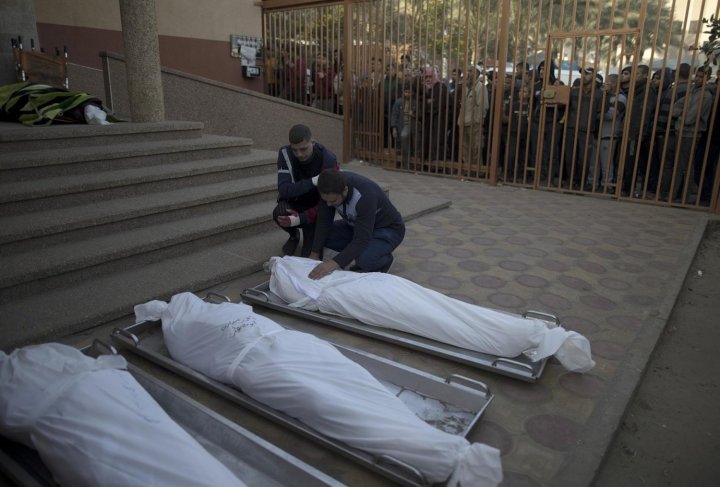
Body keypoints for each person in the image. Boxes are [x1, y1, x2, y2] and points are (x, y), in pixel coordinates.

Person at [134, 292, 503, 486]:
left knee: (356, 381)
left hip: (287, 343)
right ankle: (438, 454)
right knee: (328, 404)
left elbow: (250, 321)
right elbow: (198, 359)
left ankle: (437, 447)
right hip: (255, 363)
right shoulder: (181, 331)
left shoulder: (226, 311)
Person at [308, 170, 405, 278]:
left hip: (387, 229)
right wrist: (314, 254)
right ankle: (364, 250)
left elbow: (361, 239)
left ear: (345, 190)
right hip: (356, 225)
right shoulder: (327, 187)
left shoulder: (365, 195)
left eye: (333, 201)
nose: (329, 204)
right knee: (322, 235)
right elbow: (323, 223)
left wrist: (332, 263)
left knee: (364, 260)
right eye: (325, 200)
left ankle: (384, 261)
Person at [273, 124, 339, 257]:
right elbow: (284, 190)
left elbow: (326, 203)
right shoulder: (285, 153)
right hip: (297, 204)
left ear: (313, 142)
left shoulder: (328, 159)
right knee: (280, 212)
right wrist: (313, 181)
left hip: (317, 209)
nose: (299, 154)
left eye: (303, 149)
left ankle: (312, 235)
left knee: (308, 258)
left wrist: (301, 219)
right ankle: (293, 235)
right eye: (295, 150)